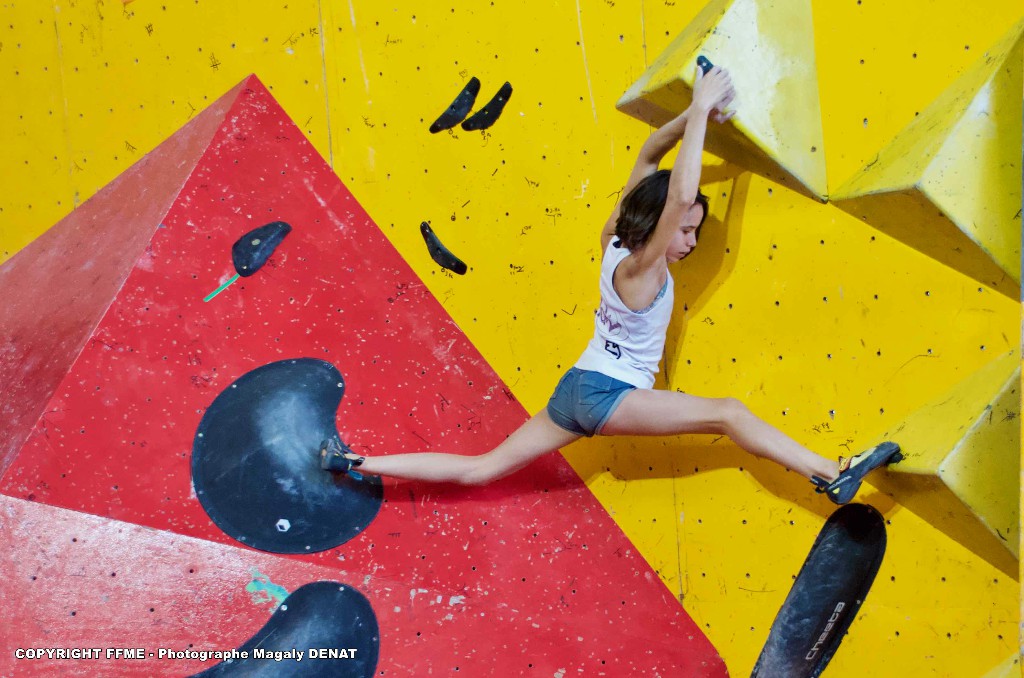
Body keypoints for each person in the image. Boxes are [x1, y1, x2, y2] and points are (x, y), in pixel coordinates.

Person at [322, 64, 900, 505]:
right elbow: (678, 193)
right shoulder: (642, 268)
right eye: (687, 230)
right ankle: (833, 471)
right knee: (728, 412)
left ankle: (354, 460)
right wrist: (700, 108)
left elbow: (650, 153)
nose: (690, 241)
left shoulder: (614, 242)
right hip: (604, 393)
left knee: (482, 468)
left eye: (695, 232)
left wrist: (692, 118)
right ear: (662, 222)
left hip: (578, 387)